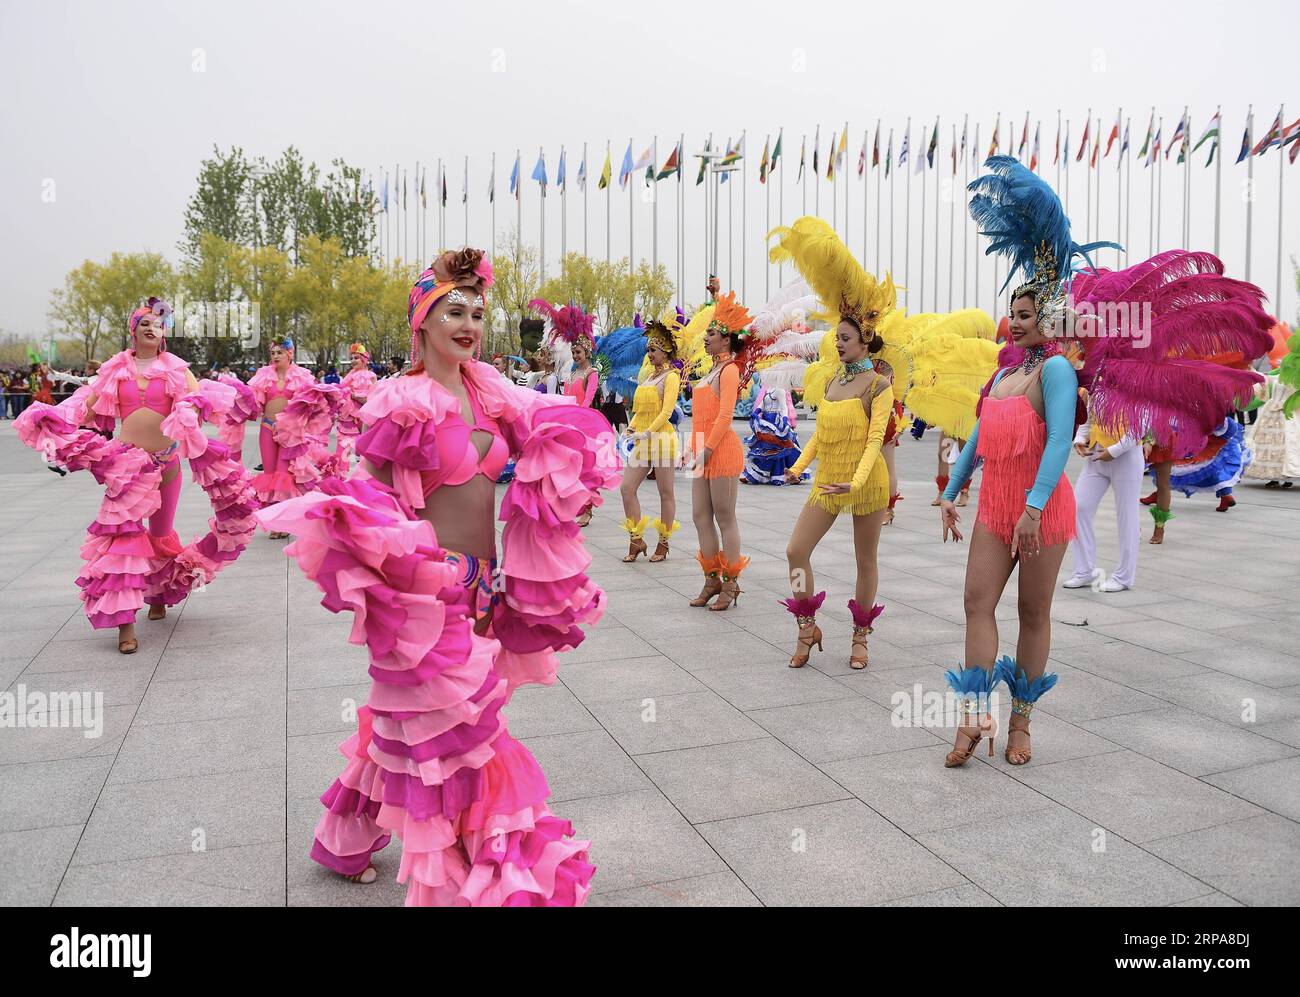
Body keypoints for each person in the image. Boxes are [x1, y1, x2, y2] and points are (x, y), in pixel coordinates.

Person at [257, 247, 617, 905]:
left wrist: (572, 476)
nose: (469, 323)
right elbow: (373, 492)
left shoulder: (489, 389)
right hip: (424, 594)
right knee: (465, 731)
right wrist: (384, 566)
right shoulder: (402, 398)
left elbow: (551, 426)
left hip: (486, 584)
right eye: (454, 309)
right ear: (422, 319)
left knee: (416, 725)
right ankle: (474, 867)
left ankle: (345, 837)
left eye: (478, 312)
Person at [14, 296, 257, 654]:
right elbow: (88, 405)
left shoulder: (177, 368)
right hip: (125, 467)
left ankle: (158, 595)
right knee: (124, 541)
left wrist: (190, 413)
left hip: (166, 463)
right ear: (133, 331)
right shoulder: (115, 369)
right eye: (142, 322)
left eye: (156, 323)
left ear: (163, 333)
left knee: (159, 536)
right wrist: (55, 419)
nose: (150, 326)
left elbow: (197, 401)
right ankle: (125, 626)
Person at [768, 216, 895, 668]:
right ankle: (807, 626)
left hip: (866, 483)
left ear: (865, 343)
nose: (837, 343)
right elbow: (820, 438)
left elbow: (875, 440)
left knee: (865, 561)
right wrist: (799, 469)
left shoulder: (879, 386)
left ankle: (861, 637)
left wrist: (856, 483)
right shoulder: (832, 384)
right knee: (795, 550)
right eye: (836, 337)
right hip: (829, 479)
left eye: (844, 338)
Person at [685, 288, 753, 611]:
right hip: (702, 451)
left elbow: (725, 416)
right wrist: (693, 449)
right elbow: (701, 416)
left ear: (727, 339)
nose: (706, 338)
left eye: (711, 333)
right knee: (700, 516)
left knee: (725, 517)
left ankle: (731, 583)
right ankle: (711, 578)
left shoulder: (729, 370)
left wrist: (708, 449)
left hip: (721, 452)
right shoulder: (710, 370)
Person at [249, 337, 341, 538]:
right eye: (273, 353)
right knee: (270, 475)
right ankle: (275, 521)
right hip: (267, 428)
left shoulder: (301, 375)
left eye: (279, 352)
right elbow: (255, 404)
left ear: (290, 354)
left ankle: (284, 523)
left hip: (290, 433)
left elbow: (312, 402)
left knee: (285, 476)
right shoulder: (263, 375)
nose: (275, 356)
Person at [619, 311, 684, 562]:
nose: (650, 354)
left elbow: (667, 411)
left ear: (666, 351)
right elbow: (640, 410)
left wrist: (647, 432)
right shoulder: (648, 377)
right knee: (627, 488)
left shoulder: (671, 377)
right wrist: (632, 428)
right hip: (643, 439)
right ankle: (636, 539)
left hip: (661, 439)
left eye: (654, 350)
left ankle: (664, 543)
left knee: (665, 492)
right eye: (649, 350)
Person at [335, 342, 378, 463]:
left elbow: (373, 400)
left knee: (364, 449)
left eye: (356, 358)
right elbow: (341, 391)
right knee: (344, 449)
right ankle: (341, 472)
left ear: (364, 360)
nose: (353, 361)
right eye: (351, 358)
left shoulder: (371, 376)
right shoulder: (349, 376)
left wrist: (354, 396)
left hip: (365, 417)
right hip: (349, 418)